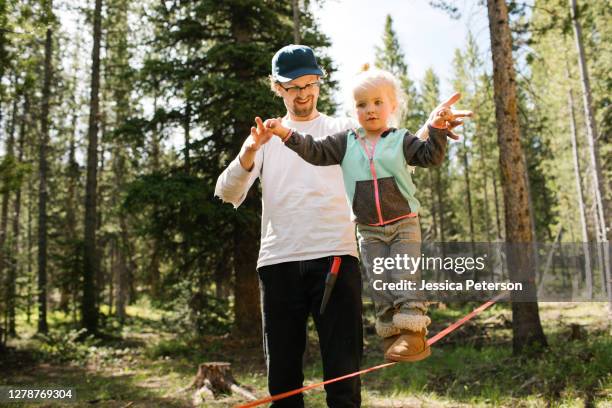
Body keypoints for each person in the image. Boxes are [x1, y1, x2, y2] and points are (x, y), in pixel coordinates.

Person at [261, 64, 472, 362]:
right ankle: (392, 336)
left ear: (392, 106)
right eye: (362, 105)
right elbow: (314, 151)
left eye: (377, 103)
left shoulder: (401, 139)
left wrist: (436, 129)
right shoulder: (345, 142)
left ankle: (414, 334)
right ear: (354, 109)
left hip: (403, 224)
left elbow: (429, 157)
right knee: (381, 283)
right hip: (368, 229)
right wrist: (285, 132)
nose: (370, 110)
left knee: (403, 276)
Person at [215, 44, 365, 407]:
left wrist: (430, 134)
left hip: (336, 258)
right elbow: (226, 191)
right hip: (279, 262)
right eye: (293, 86)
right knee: (283, 381)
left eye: (309, 83)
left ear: (319, 82)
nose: (303, 94)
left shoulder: (342, 128)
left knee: (344, 375)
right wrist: (249, 151)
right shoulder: (265, 137)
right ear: (278, 88)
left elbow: (387, 157)